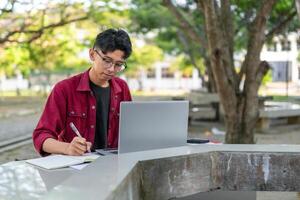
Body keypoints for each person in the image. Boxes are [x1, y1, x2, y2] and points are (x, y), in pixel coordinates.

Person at [32, 28, 132, 156]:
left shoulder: (122, 88)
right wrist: (67, 148)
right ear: (92, 54)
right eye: (107, 60)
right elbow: (40, 136)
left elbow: (129, 132)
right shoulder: (64, 89)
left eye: (119, 64)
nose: (111, 69)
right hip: (76, 167)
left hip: (113, 165)